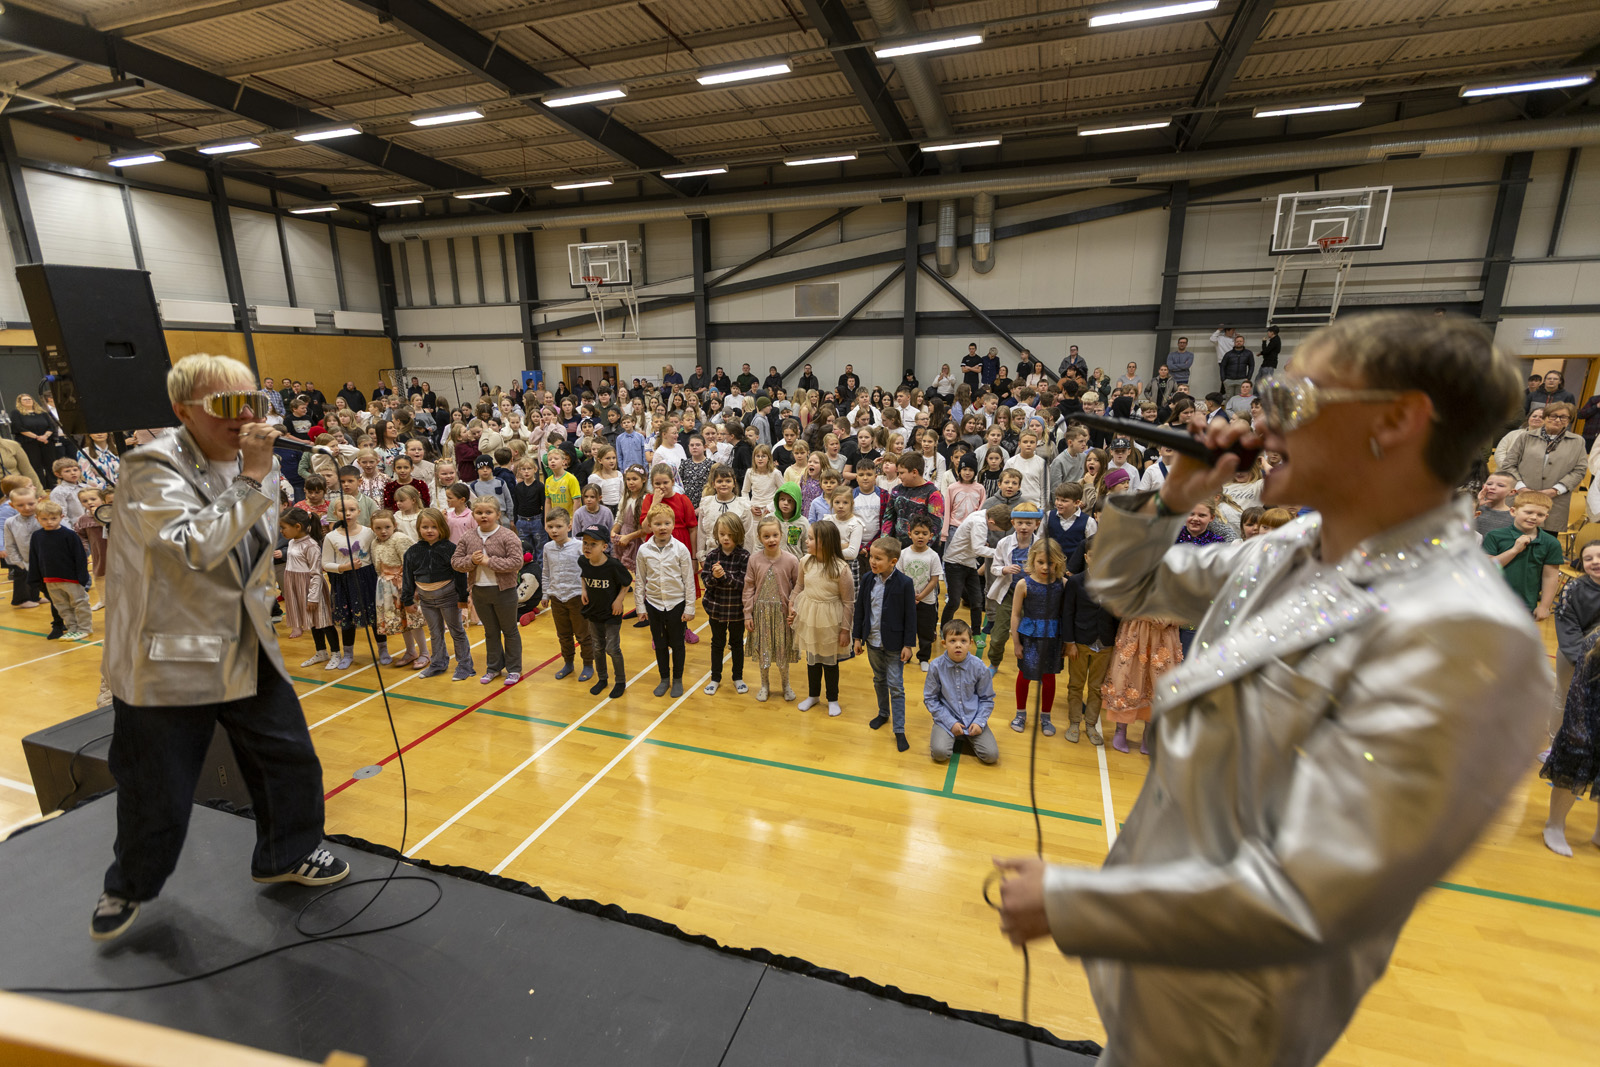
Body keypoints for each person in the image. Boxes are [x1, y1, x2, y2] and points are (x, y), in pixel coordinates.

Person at [994, 311, 1544, 1065]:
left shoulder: (1462, 635)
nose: (1262, 421)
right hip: (1158, 960)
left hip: (1234, 1006)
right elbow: (1126, 581)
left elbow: (1309, 895)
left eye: (1293, 399)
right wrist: (1170, 499)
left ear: (1396, 420)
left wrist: (1071, 902)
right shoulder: (1290, 547)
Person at [94, 354, 349, 941]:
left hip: (238, 634)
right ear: (183, 412)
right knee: (158, 783)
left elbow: (251, 548)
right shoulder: (148, 469)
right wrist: (254, 476)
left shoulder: (248, 466)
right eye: (228, 408)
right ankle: (129, 884)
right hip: (168, 649)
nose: (246, 419)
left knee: (287, 755)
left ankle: (287, 852)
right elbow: (195, 550)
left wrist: (254, 478)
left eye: (254, 405)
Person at [1542, 539, 1600, 855]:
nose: (1594, 561)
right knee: (1576, 736)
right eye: (1587, 557)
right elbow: (1567, 626)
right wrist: (1584, 659)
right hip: (1578, 661)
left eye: (1599, 556)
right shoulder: (1575, 589)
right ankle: (1554, 823)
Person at [853, 536, 917, 751]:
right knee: (879, 679)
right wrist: (857, 638)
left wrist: (908, 644)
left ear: (893, 561)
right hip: (872, 642)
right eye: (871, 556)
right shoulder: (867, 579)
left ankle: (899, 730)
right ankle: (883, 713)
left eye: (878, 558)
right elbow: (860, 610)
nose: (872, 561)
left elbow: (911, 616)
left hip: (895, 645)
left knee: (896, 686)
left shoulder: (905, 583)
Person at [453, 495, 525, 685]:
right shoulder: (468, 536)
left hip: (505, 591)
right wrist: (471, 561)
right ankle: (493, 668)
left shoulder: (508, 535)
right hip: (480, 591)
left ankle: (514, 669)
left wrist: (489, 561)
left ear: (498, 514)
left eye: (488, 512)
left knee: (509, 630)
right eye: (479, 512)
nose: (483, 516)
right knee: (491, 632)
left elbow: (517, 562)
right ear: (473, 515)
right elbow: (456, 562)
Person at [402, 507, 474, 680]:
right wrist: (407, 599)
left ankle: (465, 666)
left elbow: (459, 575)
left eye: (434, 527)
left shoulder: (450, 549)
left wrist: (463, 598)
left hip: (449, 597)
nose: (429, 531)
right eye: (425, 527)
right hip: (426, 600)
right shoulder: (412, 552)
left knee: (457, 631)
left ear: (442, 528)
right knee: (435, 633)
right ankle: (438, 663)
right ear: (419, 528)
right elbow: (407, 577)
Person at [791, 519, 854, 717]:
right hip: (810, 615)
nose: (806, 542)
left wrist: (845, 629)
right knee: (812, 659)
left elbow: (848, 603)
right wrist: (791, 607)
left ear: (824, 543)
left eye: (810, 538)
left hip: (830, 619)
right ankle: (813, 695)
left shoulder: (841, 568)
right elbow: (799, 587)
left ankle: (832, 699)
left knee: (829, 661)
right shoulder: (805, 562)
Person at [1008, 532, 1067, 736]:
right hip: (1030, 638)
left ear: (1058, 563)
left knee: (1049, 678)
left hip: (1053, 638)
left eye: (1050, 563)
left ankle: (1046, 717)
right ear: (1032, 559)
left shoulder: (1063, 584)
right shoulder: (1024, 584)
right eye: (1041, 562)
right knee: (1025, 676)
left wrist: (1067, 643)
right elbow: (1015, 615)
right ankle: (1021, 713)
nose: (1045, 567)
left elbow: (1066, 615)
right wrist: (1016, 643)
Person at [638, 502, 696, 697]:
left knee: (678, 644)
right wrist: (640, 606)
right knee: (660, 644)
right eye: (657, 524)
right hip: (654, 604)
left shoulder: (681, 549)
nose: (662, 527)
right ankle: (664, 678)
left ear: (673, 525)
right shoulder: (644, 550)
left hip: (676, 604)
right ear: (650, 526)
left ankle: (677, 679)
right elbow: (640, 580)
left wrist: (689, 608)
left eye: (666, 523)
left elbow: (689, 580)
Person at [1502, 402, 1586, 532]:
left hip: (1555, 500)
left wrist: (1556, 490)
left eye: (1564, 417)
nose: (1558, 420)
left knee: (1544, 545)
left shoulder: (1577, 441)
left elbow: (1579, 470)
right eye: (1553, 416)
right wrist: (1521, 487)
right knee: (1512, 539)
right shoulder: (1526, 437)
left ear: (1569, 421)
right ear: (1545, 417)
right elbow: (1509, 464)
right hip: (1521, 496)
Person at [744, 516, 800, 702]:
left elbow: (798, 588)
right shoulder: (754, 559)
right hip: (761, 613)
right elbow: (749, 587)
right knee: (764, 651)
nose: (771, 539)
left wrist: (794, 609)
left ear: (781, 535)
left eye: (775, 535)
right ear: (760, 538)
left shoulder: (792, 560)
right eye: (766, 536)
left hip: (782, 614)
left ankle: (786, 685)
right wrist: (747, 613)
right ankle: (764, 685)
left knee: (782, 651)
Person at [1482, 491, 1562, 619]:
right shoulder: (1495, 536)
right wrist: (1514, 550)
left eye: (1540, 514)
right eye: (1529, 512)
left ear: (1546, 517)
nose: (1534, 517)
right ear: (1513, 511)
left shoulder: (1551, 543)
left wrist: (1544, 606)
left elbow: (1550, 577)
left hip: (1525, 606)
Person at [29, 499, 93, 640]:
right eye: (44, 519)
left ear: (61, 517)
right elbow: (34, 557)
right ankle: (72, 628)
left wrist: (82, 577)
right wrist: (35, 578)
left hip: (71, 578)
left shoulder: (69, 535)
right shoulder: (37, 536)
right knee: (62, 606)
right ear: (37, 518)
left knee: (79, 603)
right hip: (50, 579)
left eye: (53, 518)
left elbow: (80, 557)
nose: (49, 522)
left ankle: (84, 628)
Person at [701, 514, 750, 696]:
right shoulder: (713, 555)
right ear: (717, 534)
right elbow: (706, 582)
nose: (726, 538)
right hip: (716, 608)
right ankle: (715, 677)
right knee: (717, 643)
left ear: (738, 535)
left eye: (730, 534)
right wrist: (714, 576)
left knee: (737, 643)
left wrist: (725, 576)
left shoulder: (744, 556)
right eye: (722, 534)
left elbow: (744, 585)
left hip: (737, 609)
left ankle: (738, 677)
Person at [578, 527, 630, 698]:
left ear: (604, 547)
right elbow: (584, 575)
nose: (587, 547)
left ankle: (620, 681)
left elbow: (627, 582)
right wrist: (584, 590)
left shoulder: (613, 565)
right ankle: (602, 678)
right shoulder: (583, 561)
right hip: (593, 611)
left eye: (593, 544)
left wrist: (619, 600)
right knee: (597, 647)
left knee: (612, 648)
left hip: (611, 613)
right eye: (585, 543)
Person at [898, 517, 943, 669]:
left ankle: (924, 658)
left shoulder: (933, 556)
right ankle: (906, 654)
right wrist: (909, 596)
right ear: (910, 534)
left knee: (926, 632)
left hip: (927, 601)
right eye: (917, 533)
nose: (920, 536)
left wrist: (921, 596)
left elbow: (934, 580)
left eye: (925, 533)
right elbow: (900, 577)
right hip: (906, 601)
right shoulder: (903, 554)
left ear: (931, 536)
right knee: (906, 629)